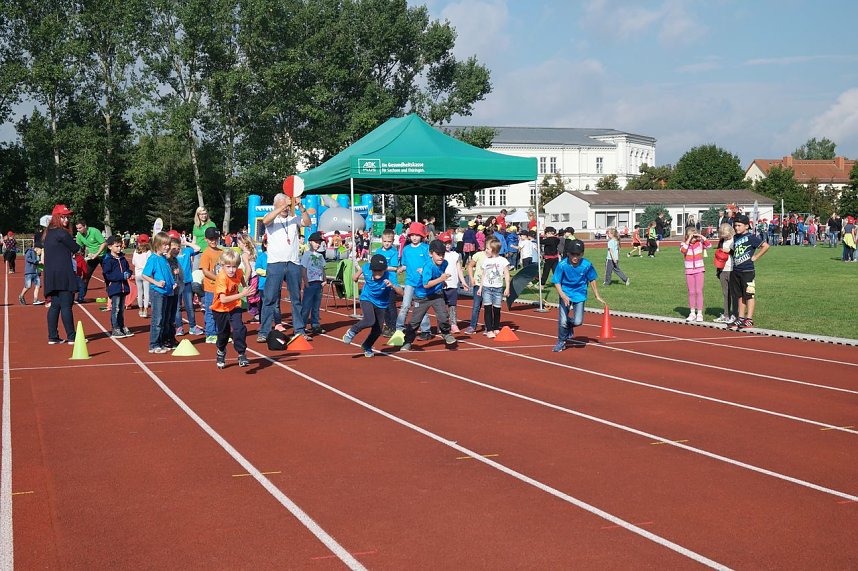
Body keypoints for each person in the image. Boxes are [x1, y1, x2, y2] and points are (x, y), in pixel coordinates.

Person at [258, 192, 311, 343]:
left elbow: (307, 223)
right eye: (282, 205)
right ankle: (264, 331)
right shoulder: (272, 220)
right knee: (270, 298)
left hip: (293, 263)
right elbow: (265, 220)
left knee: (296, 298)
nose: (286, 208)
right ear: (276, 205)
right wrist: (281, 205)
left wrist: (300, 206)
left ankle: (299, 330)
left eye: (287, 205)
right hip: (275, 263)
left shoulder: (293, 218)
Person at [399, 239, 457, 351]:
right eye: (438, 254)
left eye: (443, 254)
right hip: (422, 296)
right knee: (415, 321)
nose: (441, 257)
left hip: (436, 294)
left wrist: (442, 281)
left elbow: (439, 275)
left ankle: (446, 333)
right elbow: (426, 284)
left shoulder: (445, 263)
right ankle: (408, 341)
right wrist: (441, 279)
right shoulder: (428, 266)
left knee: (443, 316)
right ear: (431, 254)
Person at [342, 254, 404, 357]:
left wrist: (392, 286)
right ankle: (352, 331)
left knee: (378, 329)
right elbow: (358, 273)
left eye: (380, 271)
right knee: (370, 320)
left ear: (385, 269)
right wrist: (356, 276)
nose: (377, 273)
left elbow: (402, 293)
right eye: (374, 270)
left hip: (382, 303)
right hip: (367, 298)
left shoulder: (390, 276)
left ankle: (367, 345)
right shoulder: (367, 268)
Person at [552, 239, 605, 352]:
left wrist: (597, 295)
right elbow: (556, 281)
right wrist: (562, 295)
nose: (575, 257)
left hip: (580, 294)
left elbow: (592, 279)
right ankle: (561, 341)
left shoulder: (586, 265)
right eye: (573, 254)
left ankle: (569, 325)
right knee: (562, 321)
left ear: (582, 254)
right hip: (565, 293)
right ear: (568, 254)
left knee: (578, 321)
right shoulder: (562, 265)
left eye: (578, 254)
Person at [42, 205, 81, 344]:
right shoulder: (62, 233)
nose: (66, 219)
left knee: (55, 305)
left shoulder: (48, 233)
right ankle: (72, 337)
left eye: (67, 217)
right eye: (63, 217)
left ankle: (53, 336)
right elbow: (76, 248)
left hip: (51, 275)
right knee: (66, 305)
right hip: (63, 274)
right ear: (56, 218)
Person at [211, 248, 255, 369]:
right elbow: (223, 299)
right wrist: (242, 294)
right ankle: (221, 350)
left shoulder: (239, 272)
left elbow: (241, 278)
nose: (231, 270)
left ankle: (241, 354)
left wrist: (246, 288)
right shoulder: (221, 278)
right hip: (220, 309)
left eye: (234, 266)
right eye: (228, 266)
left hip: (235, 306)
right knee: (223, 334)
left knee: (239, 328)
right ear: (222, 265)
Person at [729, 214, 769, 330]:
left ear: (746, 226)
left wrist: (756, 257)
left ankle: (749, 319)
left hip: (747, 271)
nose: (736, 228)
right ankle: (740, 318)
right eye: (735, 225)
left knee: (749, 295)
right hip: (736, 270)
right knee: (740, 295)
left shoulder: (751, 237)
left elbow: (765, 246)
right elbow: (734, 251)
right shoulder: (735, 237)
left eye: (739, 225)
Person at [395, 222, 432, 339]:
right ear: (409, 236)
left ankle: (426, 330)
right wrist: (402, 268)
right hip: (409, 282)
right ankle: (399, 328)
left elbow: (430, 263)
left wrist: (424, 269)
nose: (415, 237)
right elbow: (405, 264)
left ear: (422, 236)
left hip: (421, 283)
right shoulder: (406, 249)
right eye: (412, 235)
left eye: (417, 235)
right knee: (405, 305)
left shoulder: (425, 248)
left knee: (420, 307)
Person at [141, 232, 176, 353]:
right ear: (157, 245)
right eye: (165, 245)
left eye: (168, 245)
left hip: (167, 291)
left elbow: (167, 273)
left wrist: (173, 283)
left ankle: (161, 342)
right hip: (158, 292)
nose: (167, 247)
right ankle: (154, 344)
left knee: (165, 318)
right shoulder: (153, 258)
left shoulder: (163, 258)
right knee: (158, 318)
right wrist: (156, 283)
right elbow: (145, 274)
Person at [477, 237, 511, 339]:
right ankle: (489, 329)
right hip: (487, 287)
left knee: (497, 309)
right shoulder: (486, 261)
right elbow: (483, 275)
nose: (486, 250)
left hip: (498, 288)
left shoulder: (503, 260)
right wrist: (480, 287)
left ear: (494, 250)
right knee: (487, 308)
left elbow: (507, 274)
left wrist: (507, 288)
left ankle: (496, 327)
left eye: (487, 249)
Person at [101, 235, 133, 338]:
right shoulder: (108, 260)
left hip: (124, 287)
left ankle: (122, 326)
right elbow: (107, 275)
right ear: (110, 247)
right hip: (115, 287)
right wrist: (121, 276)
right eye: (117, 246)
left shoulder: (122, 258)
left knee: (121, 308)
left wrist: (128, 273)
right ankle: (115, 328)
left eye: (120, 246)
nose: (119, 248)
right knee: (116, 308)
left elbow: (128, 268)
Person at [171, 232, 203, 336]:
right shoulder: (170, 256)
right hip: (176, 284)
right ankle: (179, 327)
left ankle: (192, 327)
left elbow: (198, 248)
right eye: (173, 246)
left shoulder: (187, 251)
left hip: (187, 283)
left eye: (177, 245)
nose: (175, 248)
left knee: (189, 306)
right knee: (177, 307)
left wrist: (187, 243)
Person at [680, 227, 711, 322]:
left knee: (699, 291)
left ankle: (700, 313)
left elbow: (709, 245)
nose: (694, 238)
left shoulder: (699, 244)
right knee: (691, 292)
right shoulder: (684, 244)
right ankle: (692, 312)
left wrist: (701, 236)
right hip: (689, 271)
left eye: (694, 236)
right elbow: (683, 250)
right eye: (691, 236)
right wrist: (689, 239)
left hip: (699, 270)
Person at [199, 227, 224, 343]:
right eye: (211, 239)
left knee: (222, 311)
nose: (213, 241)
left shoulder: (221, 252)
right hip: (210, 288)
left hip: (221, 288)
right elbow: (205, 271)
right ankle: (210, 334)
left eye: (215, 238)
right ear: (206, 240)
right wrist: (218, 278)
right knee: (210, 311)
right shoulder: (206, 254)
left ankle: (220, 332)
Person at [300, 232, 327, 336]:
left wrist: (324, 279)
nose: (318, 244)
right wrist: (306, 282)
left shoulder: (320, 256)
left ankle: (315, 324)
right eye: (316, 242)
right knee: (306, 306)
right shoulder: (307, 254)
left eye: (319, 242)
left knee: (316, 305)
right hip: (310, 283)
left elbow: (322, 268)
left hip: (318, 283)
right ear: (310, 242)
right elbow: (303, 269)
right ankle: (301, 326)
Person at [375, 229, 400, 337]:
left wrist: (382, 268)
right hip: (380, 282)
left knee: (391, 306)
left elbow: (394, 268)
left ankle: (393, 327)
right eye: (385, 241)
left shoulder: (394, 252)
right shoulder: (378, 251)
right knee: (383, 306)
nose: (387, 243)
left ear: (392, 241)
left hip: (391, 282)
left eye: (389, 242)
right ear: (382, 240)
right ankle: (388, 325)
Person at [440, 232, 466, 333]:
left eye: (449, 243)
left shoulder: (455, 255)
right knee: (441, 307)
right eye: (445, 243)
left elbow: (459, 269)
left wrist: (463, 281)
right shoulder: (439, 256)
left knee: (452, 305)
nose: (447, 245)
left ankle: (454, 324)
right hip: (442, 285)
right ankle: (442, 324)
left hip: (453, 284)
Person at [74, 220, 106, 301]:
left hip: (103, 255)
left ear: (85, 226)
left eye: (80, 228)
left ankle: (111, 297)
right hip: (92, 257)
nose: (78, 230)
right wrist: (77, 255)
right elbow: (79, 247)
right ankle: (81, 296)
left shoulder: (94, 231)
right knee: (86, 275)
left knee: (107, 275)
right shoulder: (79, 235)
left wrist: (97, 254)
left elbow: (103, 243)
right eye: (77, 228)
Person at [712, 223, 736, 324]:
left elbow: (737, 253)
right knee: (726, 293)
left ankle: (735, 315)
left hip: (733, 270)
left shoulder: (735, 240)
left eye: (726, 235)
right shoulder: (721, 241)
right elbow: (718, 255)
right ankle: (726, 315)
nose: (725, 237)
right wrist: (718, 270)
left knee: (734, 294)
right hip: (723, 270)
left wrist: (730, 251)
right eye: (723, 236)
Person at [132, 234, 152, 318]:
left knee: (140, 293)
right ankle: (145, 310)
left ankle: (140, 309)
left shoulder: (135, 251)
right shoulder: (148, 252)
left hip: (138, 274)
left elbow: (133, 262)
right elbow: (150, 263)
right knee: (146, 293)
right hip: (146, 274)